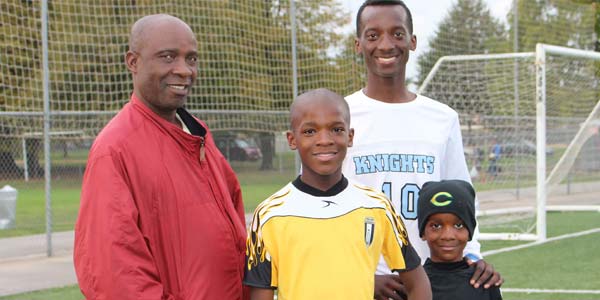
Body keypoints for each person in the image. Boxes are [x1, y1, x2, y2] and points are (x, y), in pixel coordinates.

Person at [73, 14, 248, 299]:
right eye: (167, 57)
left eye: (191, 59)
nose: (184, 70)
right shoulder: (115, 149)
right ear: (133, 62)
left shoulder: (199, 136)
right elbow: (116, 277)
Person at [342, 1, 503, 299]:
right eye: (373, 35)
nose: (386, 44)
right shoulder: (340, 116)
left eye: (397, 33)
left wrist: (474, 257)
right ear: (358, 44)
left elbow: (463, 195)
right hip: (361, 282)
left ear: (412, 41)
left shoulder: (442, 118)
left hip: (427, 282)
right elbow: (320, 209)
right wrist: (362, 277)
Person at [243, 88, 432, 300]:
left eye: (336, 129)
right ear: (292, 139)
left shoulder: (377, 206)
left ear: (350, 136)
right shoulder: (269, 215)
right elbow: (260, 295)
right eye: (310, 132)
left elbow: (417, 283)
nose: (324, 140)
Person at [418, 180, 503, 300]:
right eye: (436, 226)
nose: (448, 236)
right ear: (423, 232)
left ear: (470, 231)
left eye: (458, 225)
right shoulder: (413, 283)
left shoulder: (485, 281)